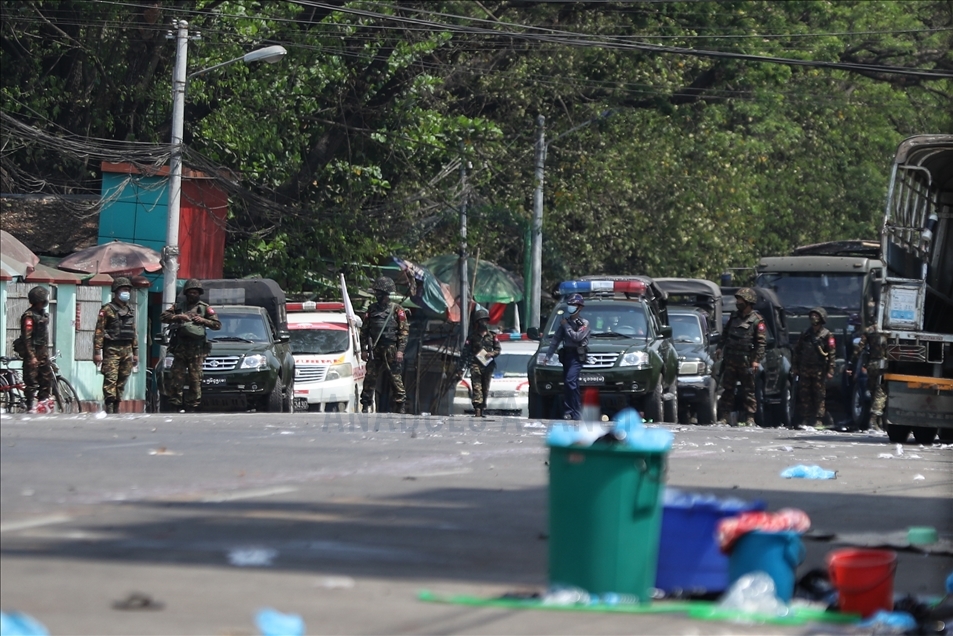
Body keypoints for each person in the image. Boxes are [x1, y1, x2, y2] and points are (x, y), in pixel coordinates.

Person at [160, 279, 221, 412]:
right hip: (180, 349)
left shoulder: (205, 308)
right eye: (190, 292)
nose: (192, 295)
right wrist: (178, 317)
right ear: (186, 293)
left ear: (199, 294)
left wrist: (203, 320)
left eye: (195, 292)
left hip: (197, 350)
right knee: (176, 377)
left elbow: (217, 325)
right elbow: (163, 316)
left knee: (195, 378)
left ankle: (192, 405)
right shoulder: (179, 306)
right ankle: (175, 404)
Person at [716, 288, 766, 426]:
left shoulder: (757, 321)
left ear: (749, 302)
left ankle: (750, 417)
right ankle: (724, 417)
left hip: (746, 361)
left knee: (748, 390)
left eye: (740, 300)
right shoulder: (733, 317)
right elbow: (725, 334)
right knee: (727, 389)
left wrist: (756, 360)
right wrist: (720, 347)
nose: (737, 302)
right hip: (731, 359)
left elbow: (761, 343)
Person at [359, 276, 409, 413]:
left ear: (385, 294)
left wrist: (400, 351)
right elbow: (364, 331)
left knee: (395, 377)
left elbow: (404, 332)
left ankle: (400, 404)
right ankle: (366, 403)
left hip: (391, 349)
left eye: (379, 293)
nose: (377, 296)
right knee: (370, 377)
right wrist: (364, 349)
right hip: (375, 348)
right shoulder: (371, 309)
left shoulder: (397, 309)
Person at [94, 277, 139, 414]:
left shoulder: (129, 310)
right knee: (111, 378)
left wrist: (136, 353)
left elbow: (133, 332)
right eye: (124, 289)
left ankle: (116, 406)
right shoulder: (107, 309)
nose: (127, 292)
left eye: (128, 290)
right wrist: (97, 352)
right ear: (116, 291)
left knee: (123, 378)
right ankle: (109, 406)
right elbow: (99, 331)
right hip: (111, 349)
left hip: (127, 349)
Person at [541, 293, 590, 420]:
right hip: (567, 355)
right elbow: (556, 340)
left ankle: (576, 412)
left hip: (577, 356)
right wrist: (548, 356)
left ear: (580, 307)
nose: (571, 307)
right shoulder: (565, 322)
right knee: (570, 384)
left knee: (570, 381)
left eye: (573, 305)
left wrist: (566, 326)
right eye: (570, 305)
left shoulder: (584, 323)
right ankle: (570, 411)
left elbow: (577, 337)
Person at [791, 307, 836, 428]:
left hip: (819, 370)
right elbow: (797, 351)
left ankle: (818, 419)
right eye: (812, 315)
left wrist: (831, 370)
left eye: (816, 316)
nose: (813, 318)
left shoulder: (827, 335)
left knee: (819, 395)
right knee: (805, 394)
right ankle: (806, 418)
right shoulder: (805, 333)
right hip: (805, 369)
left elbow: (831, 353)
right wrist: (795, 367)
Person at [848, 301, 887, 429]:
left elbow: (859, 348)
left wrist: (852, 363)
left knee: (874, 390)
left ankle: (878, 419)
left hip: (872, 364)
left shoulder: (869, 331)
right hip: (884, 363)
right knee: (880, 391)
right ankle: (875, 418)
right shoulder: (887, 331)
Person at [16, 286, 54, 413]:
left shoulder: (42, 314)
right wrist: (31, 356)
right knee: (31, 381)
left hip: (42, 352)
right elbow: (27, 338)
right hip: (32, 352)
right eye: (44, 298)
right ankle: (30, 405)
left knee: (46, 378)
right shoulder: (29, 316)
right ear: (38, 299)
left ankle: (42, 402)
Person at [459, 308, 501, 417]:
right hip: (475, 364)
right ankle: (477, 409)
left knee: (485, 387)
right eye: (481, 321)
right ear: (477, 322)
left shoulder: (492, 336)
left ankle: (482, 408)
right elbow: (465, 352)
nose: (483, 323)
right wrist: (461, 367)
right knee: (477, 386)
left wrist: (492, 354)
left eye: (485, 320)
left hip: (488, 365)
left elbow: (498, 349)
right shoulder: (472, 337)